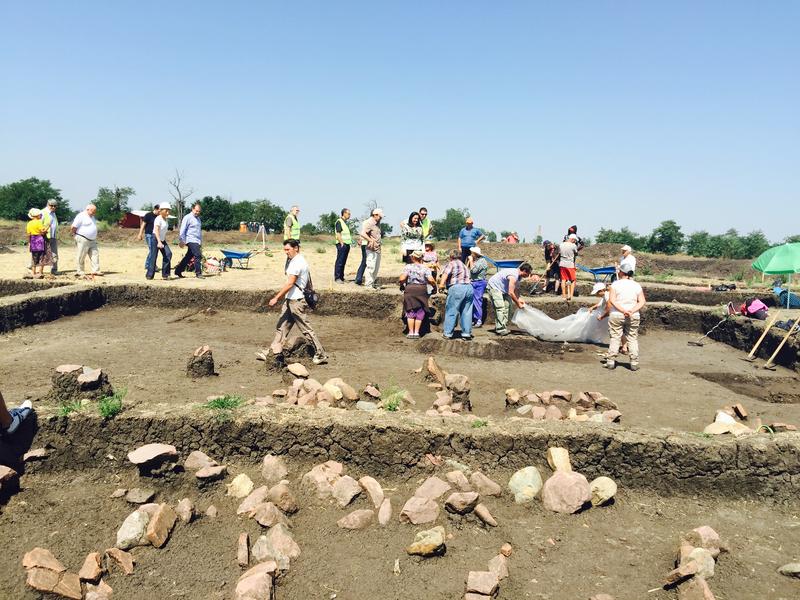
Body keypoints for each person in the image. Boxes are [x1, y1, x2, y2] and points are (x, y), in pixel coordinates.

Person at [268, 239, 328, 364]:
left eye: (288, 249)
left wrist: (276, 298)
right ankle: (273, 352)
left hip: (297, 301)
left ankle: (320, 353)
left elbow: (290, 283)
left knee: (306, 328)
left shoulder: (297, 263)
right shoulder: (297, 260)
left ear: (296, 248)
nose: (286, 252)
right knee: (281, 326)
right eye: (284, 250)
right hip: (291, 299)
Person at [604, 269, 646, 371]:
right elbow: (642, 301)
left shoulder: (615, 285)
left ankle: (610, 361)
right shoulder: (637, 285)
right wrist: (631, 311)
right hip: (633, 315)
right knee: (632, 338)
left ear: (622, 273)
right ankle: (634, 362)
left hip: (617, 314)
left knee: (615, 337)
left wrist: (623, 310)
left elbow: (612, 300)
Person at [399, 250, 436, 339]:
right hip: (421, 290)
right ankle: (416, 332)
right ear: (421, 258)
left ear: (412, 257)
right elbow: (431, 280)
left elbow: (402, 278)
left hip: (410, 289)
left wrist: (401, 285)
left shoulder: (408, 267)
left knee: (410, 310)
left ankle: (411, 332)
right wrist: (435, 287)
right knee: (420, 311)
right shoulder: (425, 268)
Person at [487, 263, 532, 336]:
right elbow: (511, 293)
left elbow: (516, 289)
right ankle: (500, 329)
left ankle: (502, 326)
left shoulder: (519, 277)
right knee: (500, 308)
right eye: (528, 273)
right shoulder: (513, 276)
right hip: (494, 287)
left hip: (503, 289)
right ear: (524, 271)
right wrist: (518, 304)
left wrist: (519, 299)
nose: (528, 276)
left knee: (508, 307)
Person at [438, 250, 474, 340]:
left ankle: (447, 333)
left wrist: (441, 285)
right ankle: (466, 334)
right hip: (469, 288)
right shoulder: (464, 265)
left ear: (451, 257)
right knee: (467, 312)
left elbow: (445, 274)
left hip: (457, 288)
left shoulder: (451, 264)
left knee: (452, 310)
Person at [71, 204, 101, 277]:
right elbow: (73, 227)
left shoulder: (92, 217)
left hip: (92, 240)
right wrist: (76, 235)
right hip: (83, 238)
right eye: (93, 211)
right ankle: (80, 271)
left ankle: (95, 271)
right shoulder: (81, 216)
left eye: (95, 211)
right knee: (81, 255)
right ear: (87, 209)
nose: (94, 212)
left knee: (95, 254)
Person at [174, 203, 203, 278]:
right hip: (190, 239)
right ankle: (198, 273)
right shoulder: (187, 217)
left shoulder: (198, 219)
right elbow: (183, 229)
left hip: (196, 240)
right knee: (198, 255)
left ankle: (178, 271)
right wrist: (182, 240)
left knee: (188, 256)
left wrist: (200, 241)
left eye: (199, 211)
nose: (197, 213)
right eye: (196, 211)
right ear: (192, 209)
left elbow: (198, 231)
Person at [360, 208, 383, 289]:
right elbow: (362, 233)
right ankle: (368, 285)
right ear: (375, 215)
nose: (381, 218)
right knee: (371, 266)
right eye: (380, 216)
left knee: (376, 268)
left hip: (378, 248)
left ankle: (372, 284)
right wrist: (370, 240)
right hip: (371, 249)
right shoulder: (369, 222)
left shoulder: (378, 223)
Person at [147, 205, 172, 280]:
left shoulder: (165, 219)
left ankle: (165, 274)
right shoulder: (158, 219)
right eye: (166, 210)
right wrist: (159, 242)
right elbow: (156, 230)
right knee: (153, 256)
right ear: (161, 210)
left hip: (162, 240)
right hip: (155, 239)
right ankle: (149, 275)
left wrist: (162, 240)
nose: (168, 212)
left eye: (168, 210)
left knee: (168, 254)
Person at [466, 246, 489, 327]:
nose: (471, 254)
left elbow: (474, 271)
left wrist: (471, 261)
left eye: (472, 253)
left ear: (475, 254)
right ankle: (474, 319)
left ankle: (478, 320)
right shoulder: (478, 261)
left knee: (477, 301)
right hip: (474, 282)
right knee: (473, 301)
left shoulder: (482, 261)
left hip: (479, 283)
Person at [138, 204, 160, 274]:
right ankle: (149, 265)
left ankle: (149, 264)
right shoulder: (148, 215)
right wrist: (140, 234)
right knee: (152, 249)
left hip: (155, 235)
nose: (160, 212)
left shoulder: (159, 217)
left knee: (153, 250)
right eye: (159, 210)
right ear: (156, 209)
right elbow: (143, 225)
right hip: (149, 234)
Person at [26, 208, 48, 278]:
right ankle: (40, 271)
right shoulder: (39, 222)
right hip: (40, 240)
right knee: (42, 256)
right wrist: (47, 227)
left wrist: (29, 243)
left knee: (34, 257)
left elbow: (28, 234)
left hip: (33, 240)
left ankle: (33, 272)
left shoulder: (29, 223)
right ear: (38, 215)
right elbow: (42, 232)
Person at [333, 208, 352, 283]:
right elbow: (338, 234)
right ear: (344, 213)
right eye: (348, 213)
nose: (349, 215)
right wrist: (342, 243)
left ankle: (341, 277)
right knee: (340, 261)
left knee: (343, 261)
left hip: (347, 244)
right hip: (342, 245)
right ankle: (337, 278)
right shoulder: (339, 221)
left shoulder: (345, 222)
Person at [559, 234, 579, 302]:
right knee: (573, 280)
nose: (575, 242)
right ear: (572, 239)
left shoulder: (561, 244)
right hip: (570, 264)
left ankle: (564, 296)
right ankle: (570, 295)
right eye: (575, 240)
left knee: (563, 279)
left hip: (562, 263)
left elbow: (559, 253)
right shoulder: (573, 246)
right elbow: (576, 253)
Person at [354, 219, 368, 286]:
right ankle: (359, 279)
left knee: (365, 262)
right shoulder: (369, 223)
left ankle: (359, 278)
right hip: (366, 244)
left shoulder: (366, 223)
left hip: (365, 244)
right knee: (365, 261)